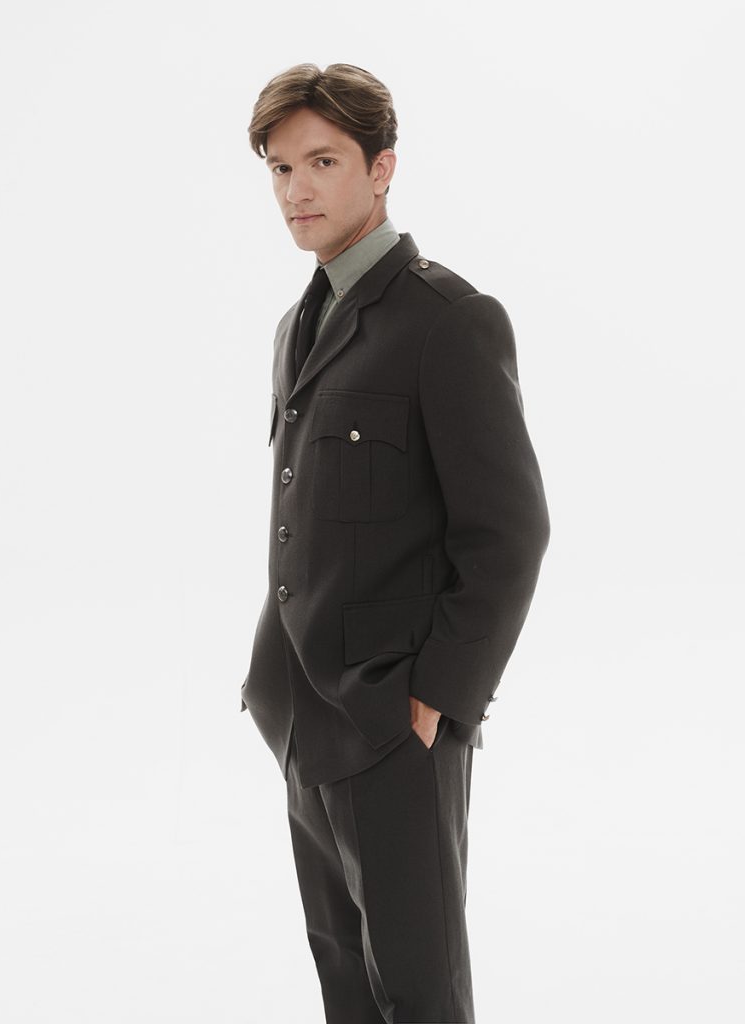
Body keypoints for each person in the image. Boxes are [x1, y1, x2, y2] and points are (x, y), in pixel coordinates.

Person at [240, 62, 550, 1024]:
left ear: (382, 169)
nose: (297, 189)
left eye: (323, 161)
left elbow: (510, 531)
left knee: (421, 993)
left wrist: (438, 700)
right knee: (345, 980)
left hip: (393, 725)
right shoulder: (298, 324)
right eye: (281, 167)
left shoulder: (448, 321)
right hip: (301, 717)